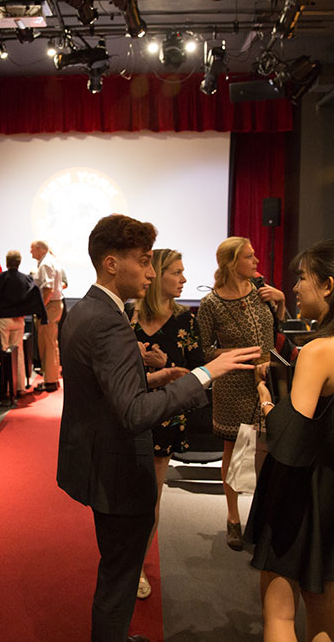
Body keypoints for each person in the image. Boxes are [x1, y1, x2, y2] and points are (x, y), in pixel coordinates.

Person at [57, 214, 260, 642]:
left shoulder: (83, 311)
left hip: (98, 460)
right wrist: (204, 373)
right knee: (119, 574)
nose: (151, 273)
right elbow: (132, 414)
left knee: (118, 569)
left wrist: (151, 378)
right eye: (145, 261)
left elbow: (103, 388)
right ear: (112, 264)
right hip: (117, 469)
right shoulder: (109, 321)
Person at [245, 239, 334, 642]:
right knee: (321, 599)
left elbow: (290, 438)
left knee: (279, 609)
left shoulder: (319, 350)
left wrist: (267, 400)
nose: (295, 287)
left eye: (302, 278)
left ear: (327, 285)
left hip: (298, 486)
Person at [196, 236, 286, 550]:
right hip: (234, 384)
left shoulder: (263, 292)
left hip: (268, 380)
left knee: (266, 450)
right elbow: (204, 350)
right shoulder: (211, 303)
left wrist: (281, 301)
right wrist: (239, 354)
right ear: (233, 262)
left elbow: (280, 333)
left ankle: (262, 517)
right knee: (233, 451)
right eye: (250, 256)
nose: (256, 261)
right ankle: (234, 518)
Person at [126, 248, 205, 600]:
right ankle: (122, 562)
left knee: (150, 499)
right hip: (128, 415)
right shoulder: (127, 317)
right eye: (177, 272)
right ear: (157, 274)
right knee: (126, 495)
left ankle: (139, 566)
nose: (184, 279)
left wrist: (165, 364)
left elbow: (199, 375)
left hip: (166, 417)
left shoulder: (187, 320)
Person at [0, 250, 47, 394]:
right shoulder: (26, 279)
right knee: (19, 352)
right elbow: (36, 296)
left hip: (3, 320)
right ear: (19, 262)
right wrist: (42, 315)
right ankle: (19, 387)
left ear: (7, 262)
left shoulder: (0, 278)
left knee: (3, 352)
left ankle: (5, 389)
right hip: (19, 320)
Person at [31, 240, 64, 392]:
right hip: (55, 305)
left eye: (32, 249)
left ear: (39, 249)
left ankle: (50, 381)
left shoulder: (45, 264)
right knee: (51, 343)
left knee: (47, 344)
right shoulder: (52, 261)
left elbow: (48, 289)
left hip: (49, 306)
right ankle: (52, 377)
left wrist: (41, 307)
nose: (31, 253)